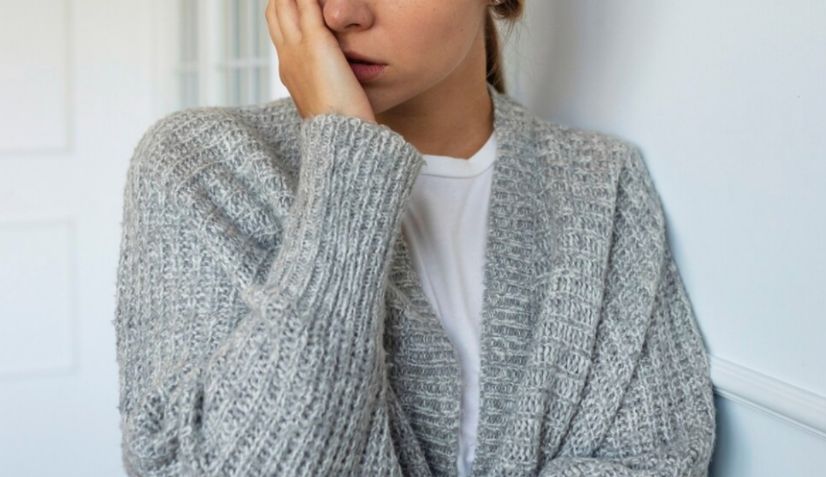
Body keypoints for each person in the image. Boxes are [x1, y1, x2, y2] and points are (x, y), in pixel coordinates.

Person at [112, 0, 717, 475]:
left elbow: (653, 457)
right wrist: (345, 156)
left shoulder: (599, 182)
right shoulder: (204, 168)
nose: (340, 12)